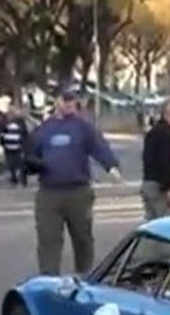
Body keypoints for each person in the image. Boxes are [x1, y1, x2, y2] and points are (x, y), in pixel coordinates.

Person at [26, 88, 121, 276]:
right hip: (49, 192)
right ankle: (49, 279)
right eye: (65, 99)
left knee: (82, 237)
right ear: (57, 101)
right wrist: (32, 164)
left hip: (78, 191)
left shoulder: (83, 127)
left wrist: (111, 167)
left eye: (72, 100)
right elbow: (30, 153)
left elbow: (100, 147)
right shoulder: (44, 128)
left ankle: (84, 274)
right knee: (48, 238)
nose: (69, 103)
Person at [141, 97, 170, 219]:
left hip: (148, 182)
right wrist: (169, 188)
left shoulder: (153, 132)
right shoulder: (165, 133)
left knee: (152, 224)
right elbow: (164, 161)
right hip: (160, 187)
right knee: (167, 224)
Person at [0, 106, 29, 186]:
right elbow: (2, 134)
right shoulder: (5, 122)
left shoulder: (20, 121)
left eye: (12, 112)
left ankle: (22, 178)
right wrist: (3, 143)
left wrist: (24, 144)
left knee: (20, 162)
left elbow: (24, 134)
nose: (10, 114)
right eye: (9, 112)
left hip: (17, 146)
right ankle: (14, 177)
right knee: (11, 163)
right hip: (9, 146)